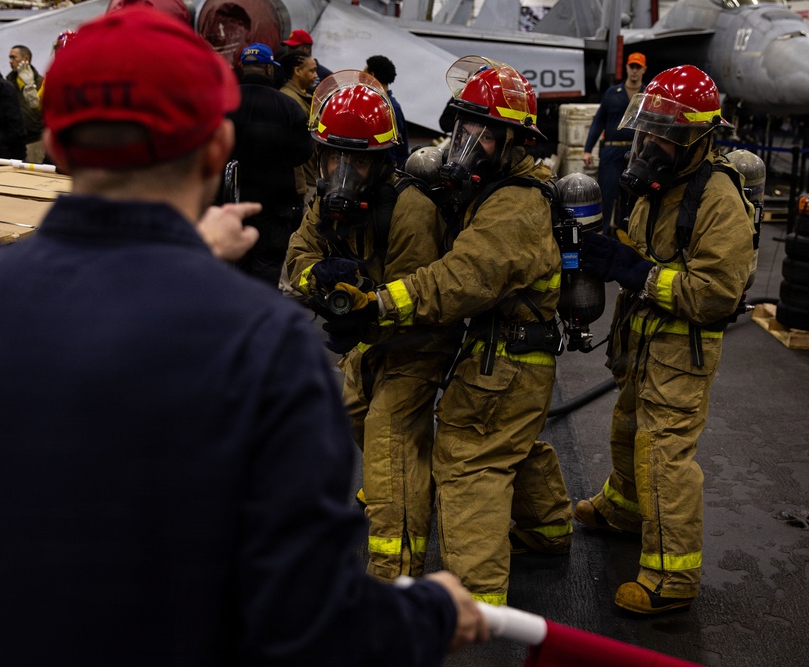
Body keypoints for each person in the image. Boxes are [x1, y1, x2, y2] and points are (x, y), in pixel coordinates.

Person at [0, 8, 488, 665]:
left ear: (57, 146)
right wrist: (432, 612)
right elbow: (312, 624)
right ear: (213, 149)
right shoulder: (263, 346)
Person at [316, 56, 575, 606]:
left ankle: (479, 604)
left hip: (509, 357)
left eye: (482, 134)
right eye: (462, 128)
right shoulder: (495, 189)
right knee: (506, 443)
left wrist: (378, 305)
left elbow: (459, 280)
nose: (464, 143)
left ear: (515, 142)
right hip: (496, 352)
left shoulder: (515, 205)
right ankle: (547, 529)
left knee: (468, 458)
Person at [573, 64, 754, 615]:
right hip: (643, 343)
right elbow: (646, 247)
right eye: (647, 127)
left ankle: (672, 576)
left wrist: (635, 271)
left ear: (697, 137)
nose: (649, 141)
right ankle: (625, 509)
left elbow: (716, 293)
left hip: (682, 352)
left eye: (664, 133)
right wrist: (614, 250)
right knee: (627, 427)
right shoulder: (661, 184)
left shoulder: (718, 197)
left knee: (664, 456)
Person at [285, 71, 462, 583]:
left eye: (357, 159)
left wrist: (362, 305)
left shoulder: (410, 209)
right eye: (334, 156)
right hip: (369, 340)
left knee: (389, 439)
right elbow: (298, 255)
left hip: (415, 340)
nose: (343, 170)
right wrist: (318, 273)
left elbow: (416, 298)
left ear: (380, 161)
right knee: (351, 413)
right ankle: (407, 486)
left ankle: (394, 570)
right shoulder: (324, 201)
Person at [228, 42, 314, 287]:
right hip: (274, 207)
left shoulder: (223, 103)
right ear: (268, 69)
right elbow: (304, 153)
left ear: (244, 68)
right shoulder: (288, 106)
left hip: (232, 205)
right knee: (267, 268)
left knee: (235, 267)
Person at [582, 51, 647, 234]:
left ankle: (624, 239)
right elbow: (598, 121)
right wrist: (588, 149)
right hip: (611, 152)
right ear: (626, 68)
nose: (634, 71)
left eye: (638, 67)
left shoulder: (648, 95)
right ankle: (600, 236)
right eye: (631, 66)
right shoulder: (613, 93)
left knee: (630, 199)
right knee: (606, 196)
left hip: (635, 154)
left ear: (644, 69)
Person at [279, 51, 319, 207]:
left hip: (310, 176)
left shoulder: (300, 98)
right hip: (304, 181)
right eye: (311, 70)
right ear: (297, 71)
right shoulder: (290, 101)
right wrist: (301, 187)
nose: (316, 75)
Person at [364, 55, 409, 170]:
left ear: (372, 75)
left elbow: (393, 149)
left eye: (364, 73)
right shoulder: (378, 105)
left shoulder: (391, 109)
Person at [6, 45, 44, 163]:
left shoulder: (40, 82)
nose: (10, 61)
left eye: (14, 57)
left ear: (26, 59)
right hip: (14, 142)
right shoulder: (7, 83)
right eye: (10, 58)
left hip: (35, 141)